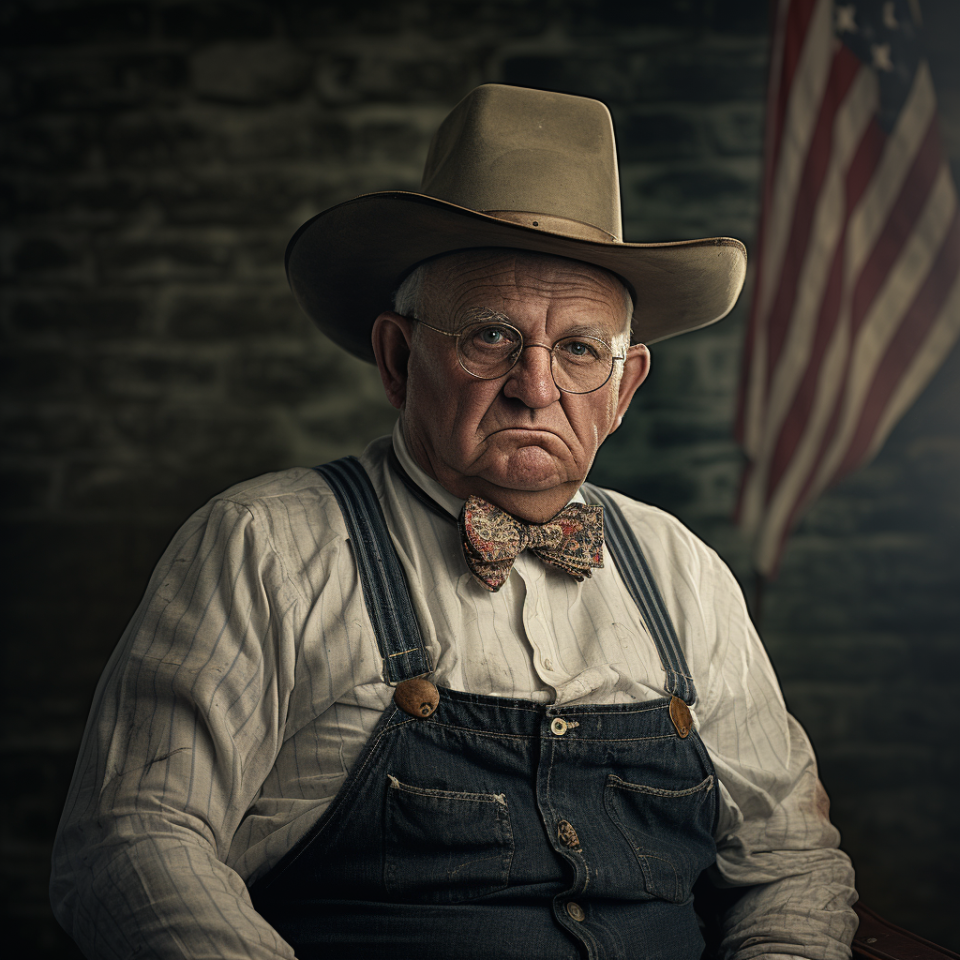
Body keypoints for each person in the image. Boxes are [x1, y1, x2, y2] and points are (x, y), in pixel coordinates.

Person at [50, 84, 857, 959]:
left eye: (580, 349)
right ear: (398, 359)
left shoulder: (684, 572)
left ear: (624, 391)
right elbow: (133, 843)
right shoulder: (262, 544)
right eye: (490, 338)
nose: (536, 386)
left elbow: (791, 866)